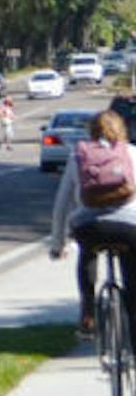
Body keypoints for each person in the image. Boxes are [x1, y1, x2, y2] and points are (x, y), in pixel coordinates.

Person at [50, 107, 136, 337]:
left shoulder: (78, 157)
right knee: (132, 272)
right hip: (128, 227)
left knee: (87, 253)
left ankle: (87, 312)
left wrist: (59, 244)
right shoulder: (131, 153)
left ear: (91, 131)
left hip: (90, 226)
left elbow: (62, 205)